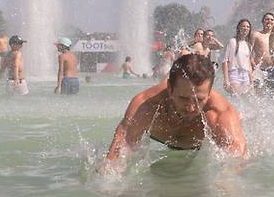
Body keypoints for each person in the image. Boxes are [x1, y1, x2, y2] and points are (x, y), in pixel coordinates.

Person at [99, 54, 247, 174]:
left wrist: (226, 183)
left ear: (209, 93)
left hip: (198, 146)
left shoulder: (220, 113)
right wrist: (109, 180)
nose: (190, 107)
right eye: (183, 98)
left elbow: (237, 159)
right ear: (170, 88)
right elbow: (118, 153)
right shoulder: (146, 106)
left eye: (199, 100)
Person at [222, 19, 253, 95]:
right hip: (234, 73)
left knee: (246, 100)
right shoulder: (232, 41)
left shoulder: (249, 45)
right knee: (237, 97)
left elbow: (248, 64)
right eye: (243, 26)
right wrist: (226, 80)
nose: (245, 28)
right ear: (239, 28)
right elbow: (225, 61)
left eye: (248, 27)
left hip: (245, 75)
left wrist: (251, 81)